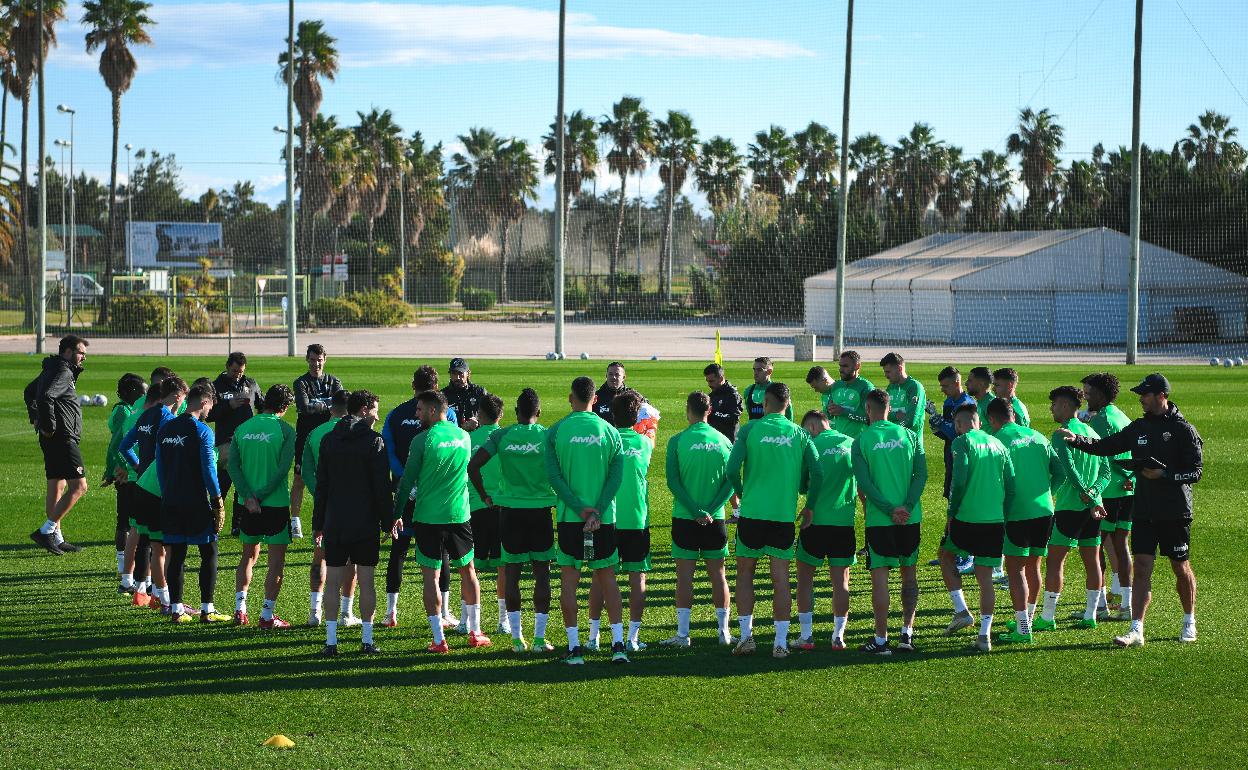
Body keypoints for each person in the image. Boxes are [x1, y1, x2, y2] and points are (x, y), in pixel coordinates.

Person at [1058, 373, 1202, 647]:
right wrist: (1076, 440)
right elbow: (1105, 447)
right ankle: (1136, 629)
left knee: (1180, 567)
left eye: (1145, 394)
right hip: (1144, 510)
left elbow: (1195, 472)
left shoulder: (1184, 430)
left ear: (1161, 396)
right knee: (1143, 566)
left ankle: (1188, 620)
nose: (1140, 399)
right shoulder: (1139, 428)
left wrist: (1164, 474)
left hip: (1175, 512)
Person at [726, 382, 822, 659]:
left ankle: (746, 638)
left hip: (753, 514)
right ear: (788, 405)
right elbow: (817, 473)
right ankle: (780, 643)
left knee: (745, 575)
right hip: (782, 517)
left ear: (766, 404)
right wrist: (810, 506)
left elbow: (731, 470)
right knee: (781, 580)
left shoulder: (750, 429)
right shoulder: (801, 434)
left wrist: (743, 494)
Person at [392, 390, 491, 652]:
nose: (416, 414)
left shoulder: (421, 441)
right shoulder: (464, 437)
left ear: (434, 411)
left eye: (420, 409)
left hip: (428, 517)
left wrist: (395, 514)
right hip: (459, 514)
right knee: (468, 570)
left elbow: (406, 483)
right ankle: (476, 631)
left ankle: (438, 639)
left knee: (431, 577)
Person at [468, 388, 558, 654]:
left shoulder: (501, 435)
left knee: (513, 574)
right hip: (540, 511)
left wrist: (485, 496)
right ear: (539, 413)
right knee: (542, 574)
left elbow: (473, 466)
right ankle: (540, 639)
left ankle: (518, 640)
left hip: (509, 512)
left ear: (517, 412)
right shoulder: (547, 436)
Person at [545, 376, 628, 665]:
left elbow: (554, 478)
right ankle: (618, 645)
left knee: (569, 582)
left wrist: (581, 510)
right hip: (603, 519)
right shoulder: (610, 431)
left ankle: (575, 648)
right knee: (607, 579)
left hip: (571, 519)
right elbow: (617, 477)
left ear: (571, 398)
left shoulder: (556, 432)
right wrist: (597, 511)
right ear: (595, 399)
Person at [314, 389, 391, 656]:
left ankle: (331, 641)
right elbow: (381, 487)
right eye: (374, 410)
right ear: (364, 410)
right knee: (366, 581)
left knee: (333, 580)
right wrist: (387, 521)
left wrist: (318, 523)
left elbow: (322, 485)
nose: (377, 415)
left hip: (335, 520)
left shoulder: (329, 439)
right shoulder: (374, 441)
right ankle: (367, 640)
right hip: (365, 522)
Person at [380, 365, 458, 629]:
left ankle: (391, 613)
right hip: (436, 494)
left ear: (413, 386)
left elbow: (388, 452)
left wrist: (405, 479)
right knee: (442, 553)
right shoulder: (448, 415)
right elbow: (451, 452)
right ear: (436, 388)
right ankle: (445, 612)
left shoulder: (394, 415)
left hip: (405, 490)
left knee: (398, 550)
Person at [852, 389, 927, 655]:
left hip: (879, 520)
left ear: (868, 410)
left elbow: (865, 484)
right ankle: (907, 634)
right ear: (889, 408)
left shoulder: (861, 440)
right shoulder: (910, 436)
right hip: (910, 518)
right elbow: (921, 476)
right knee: (909, 574)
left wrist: (888, 509)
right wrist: (905, 507)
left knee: (880, 580)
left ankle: (881, 640)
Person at [938, 404, 1015, 653]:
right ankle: (984, 636)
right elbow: (1011, 485)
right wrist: (1003, 514)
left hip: (966, 518)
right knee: (985, 579)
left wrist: (952, 511)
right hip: (994, 521)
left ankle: (961, 610)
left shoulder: (962, 443)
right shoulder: (998, 444)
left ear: (959, 425)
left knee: (945, 555)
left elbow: (958, 481)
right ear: (978, 421)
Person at [661, 391, 735, 648]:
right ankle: (724, 632)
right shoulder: (724, 441)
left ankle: (683, 635)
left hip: (685, 518)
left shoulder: (677, 441)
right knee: (719, 575)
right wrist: (711, 509)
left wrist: (694, 510)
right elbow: (732, 481)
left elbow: (673, 481)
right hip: (715, 520)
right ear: (710, 410)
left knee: (684, 577)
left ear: (687, 409)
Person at [1035, 386, 1110, 633]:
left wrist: (1085, 493)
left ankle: (1047, 616)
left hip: (1070, 507)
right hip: (1094, 508)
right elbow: (1106, 473)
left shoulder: (1060, 434)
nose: (1051, 409)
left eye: (1054, 405)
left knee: (1055, 562)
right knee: (1092, 561)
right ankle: (1091, 615)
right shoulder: (1092, 433)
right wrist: (1095, 493)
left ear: (1066, 407)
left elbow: (1068, 469)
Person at [990, 398, 1061, 645]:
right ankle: (1027, 621)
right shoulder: (1038, 436)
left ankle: (1022, 629)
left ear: (992, 419)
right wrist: (1046, 493)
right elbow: (1060, 471)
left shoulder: (998, 440)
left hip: (1016, 512)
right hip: (1044, 510)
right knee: (1033, 566)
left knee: (1016, 568)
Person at [156, 383, 229, 624]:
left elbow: (160, 467)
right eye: (210, 407)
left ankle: (176, 610)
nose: (209, 413)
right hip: (196, 502)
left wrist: (168, 493)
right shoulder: (202, 431)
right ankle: (207, 609)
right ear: (205, 402)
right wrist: (217, 500)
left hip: (171, 500)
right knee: (209, 551)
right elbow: (209, 469)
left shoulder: (166, 429)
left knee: (176, 554)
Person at [586, 391, 653, 653]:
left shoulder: (604, 441)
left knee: (600, 577)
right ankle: (633, 638)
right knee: (637, 577)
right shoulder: (644, 443)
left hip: (607, 517)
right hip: (636, 518)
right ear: (637, 416)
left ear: (611, 414)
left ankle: (593, 637)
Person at [230, 384, 298, 629]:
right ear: (286, 406)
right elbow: (282, 470)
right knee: (275, 562)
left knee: (248, 555)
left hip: (247, 505)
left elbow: (233, 467)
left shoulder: (243, 428)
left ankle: (240, 609)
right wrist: (261, 495)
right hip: (275, 504)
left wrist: (249, 496)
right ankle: (267, 615)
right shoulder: (286, 430)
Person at [120, 375, 189, 614]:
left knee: (141, 535)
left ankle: (137, 584)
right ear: (178, 395)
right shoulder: (169, 420)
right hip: (159, 486)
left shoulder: (145, 416)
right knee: (162, 546)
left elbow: (124, 446)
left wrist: (138, 465)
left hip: (141, 484)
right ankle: (164, 596)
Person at [795, 410, 857, 651]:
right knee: (841, 581)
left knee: (805, 580)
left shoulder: (810, 445)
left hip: (815, 521)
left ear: (810, 428)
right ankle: (838, 636)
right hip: (843, 522)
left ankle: (806, 636)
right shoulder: (850, 443)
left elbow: (802, 485)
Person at [28, 334, 90, 555]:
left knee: (58, 485)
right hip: (63, 437)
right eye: (81, 352)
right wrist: (49, 425)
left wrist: (36, 417)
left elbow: (30, 391)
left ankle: (56, 537)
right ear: (68, 351)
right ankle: (46, 530)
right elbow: (45, 396)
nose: (84, 357)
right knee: (79, 486)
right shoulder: (63, 371)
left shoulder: (53, 368)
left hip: (54, 438)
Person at [1080, 372, 1136, 620]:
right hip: (1129, 490)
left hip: (1108, 492)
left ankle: (1099, 605)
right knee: (1121, 545)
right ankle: (1127, 606)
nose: (1085, 398)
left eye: (1089, 393)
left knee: (1094, 547)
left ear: (1101, 394)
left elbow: (1104, 455)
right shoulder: (1120, 415)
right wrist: (1131, 477)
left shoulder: (1102, 421)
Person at [302, 390, 359, 628]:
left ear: (330, 408)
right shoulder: (358, 432)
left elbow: (306, 471)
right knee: (351, 560)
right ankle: (346, 613)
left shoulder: (315, 433)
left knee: (321, 557)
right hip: (353, 505)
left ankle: (314, 612)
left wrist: (321, 495)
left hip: (325, 506)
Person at [291, 344, 345, 538]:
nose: (316, 364)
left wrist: (317, 404)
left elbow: (342, 404)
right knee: (299, 478)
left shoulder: (334, 381)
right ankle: (295, 521)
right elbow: (305, 408)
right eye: (312, 360)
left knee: (329, 476)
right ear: (307, 360)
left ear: (325, 359)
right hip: (305, 437)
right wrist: (328, 404)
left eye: (319, 360)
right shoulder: (300, 383)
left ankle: (328, 515)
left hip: (329, 437)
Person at [466, 393, 509, 635]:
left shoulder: (468, 437)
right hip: (501, 506)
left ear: (480, 415)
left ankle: (467, 620)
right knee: (503, 566)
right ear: (501, 415)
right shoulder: (505, 438)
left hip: (473, 508)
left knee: (469, 567)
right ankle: (503, 621)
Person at [926, 366, 976, 571]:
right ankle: (950, 552)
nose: (942, 390)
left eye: (945, 386)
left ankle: (967, 555)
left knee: (963, 510)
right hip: (951, 460)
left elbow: (960, 434)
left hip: (963, 463)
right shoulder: (949, 402)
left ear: (957, 382)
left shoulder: (967, 405)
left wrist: (941, 422)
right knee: (952, 508)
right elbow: (946, 434)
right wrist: (936, 425)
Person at [209, 352, 262, 532]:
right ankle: (213, 523)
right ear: (227, 367)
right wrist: (228, 407)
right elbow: (208, 415)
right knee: (222, 484)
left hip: (247, 442)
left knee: (243, 485)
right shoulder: (216, 386)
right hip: (225, 443)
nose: (237, 375)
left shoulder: (251, 384)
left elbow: (262, 407)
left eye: (240, 372)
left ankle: (237, 526)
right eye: (234, 371)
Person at [104, 373, 147, 589]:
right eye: (142, 391)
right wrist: (115, 468)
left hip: (130, 471)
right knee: (126, 522)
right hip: (126, 473)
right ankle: (123, 565)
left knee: (132, 522)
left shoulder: (131, 410)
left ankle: (128, 568)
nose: (145, 394)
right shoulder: (123, 410)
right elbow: (117, 443)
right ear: (131, 392)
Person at [818, 351, 875, 438]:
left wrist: (843, 412)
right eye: (840, 366)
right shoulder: (837, 386)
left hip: (859, 441)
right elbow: (828, 415)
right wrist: (829, 411)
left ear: (857, 366)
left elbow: (869, 419)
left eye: (845, 366)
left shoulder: (866, 387)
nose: (841, 369)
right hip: (839, 440)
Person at [880, 352, 926, 448]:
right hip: (892, 443)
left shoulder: (914, 387)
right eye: (885, 372)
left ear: (900, 369)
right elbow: (884, 415)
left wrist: (890, 423)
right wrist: (896, 415)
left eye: (888, 372)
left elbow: (910, 421)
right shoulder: (890, 388)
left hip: (910, 444)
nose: (886, 375)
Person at [978, 367, 1031, 432]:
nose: (993, 389)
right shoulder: (1008, 405)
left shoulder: (1015, 411)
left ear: (1009, 386)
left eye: (997, 385)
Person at [703, 363, 744, 442]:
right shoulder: (712, 395)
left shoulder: (733, 395)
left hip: (729, 440)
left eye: (711, 381)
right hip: (715, 440)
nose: (709, 384)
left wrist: (713, 414)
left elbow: (733, 418)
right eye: (707, 381)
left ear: (721, 379)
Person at [443, 357, 487, 431]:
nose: (457, 377)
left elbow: (490, 414)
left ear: (468, 373)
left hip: (476, 435)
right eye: (454, 373)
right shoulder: (443, 395)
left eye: (460, 373)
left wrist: (477, 422)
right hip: (454, 438)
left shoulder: (479, 392)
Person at [744, 357, 793, 422]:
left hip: (771, 431)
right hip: (755, 431)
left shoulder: (778, 391)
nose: (755, 373)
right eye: (754, 369)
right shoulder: (748, 391)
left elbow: (788, 417)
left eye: (759, 370)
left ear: (769, 372)